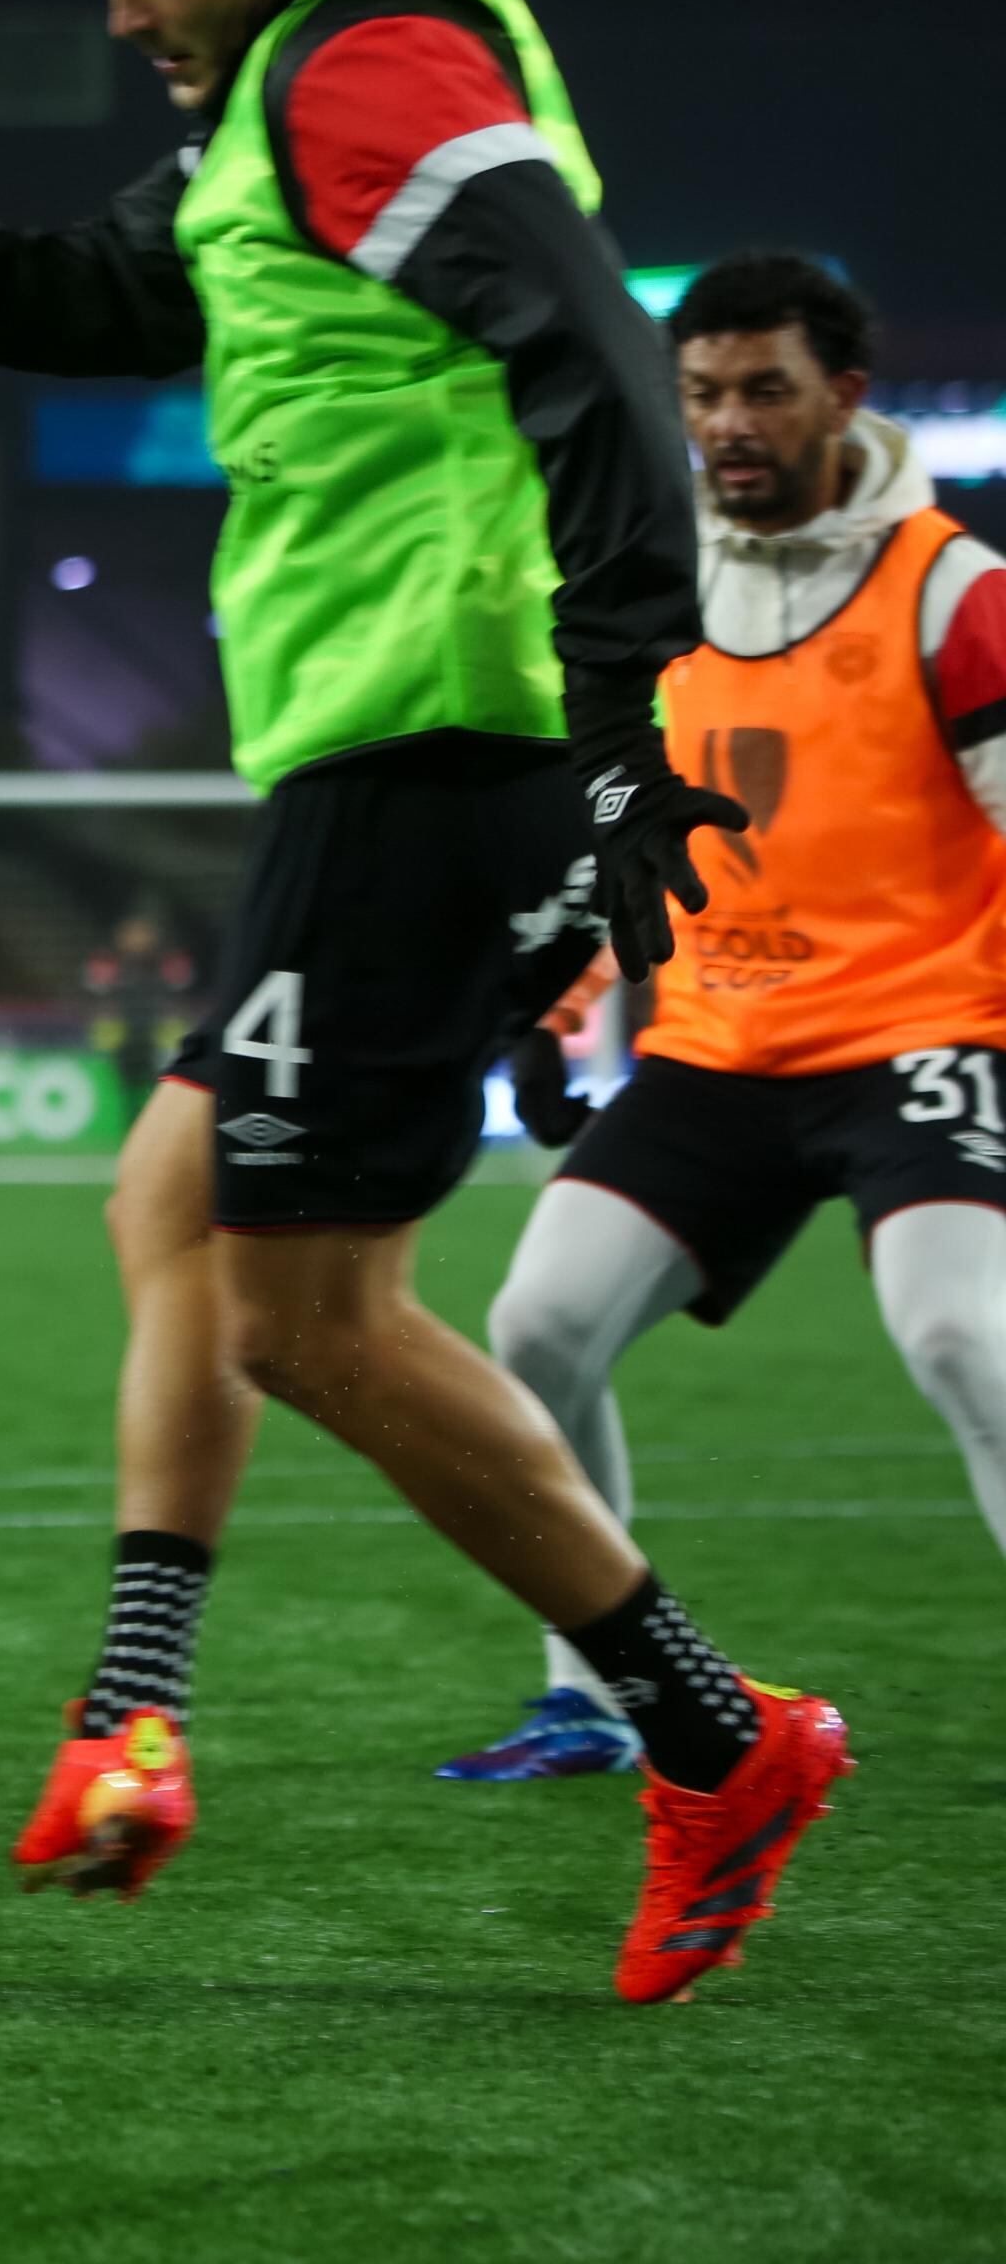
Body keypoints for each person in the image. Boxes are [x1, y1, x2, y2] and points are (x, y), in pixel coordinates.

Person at [0, 0, 846, 2001]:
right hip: (380, 747)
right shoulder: (280, 112)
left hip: (436, 742)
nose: (122, 9)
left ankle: (718, 1741)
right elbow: (107, 294)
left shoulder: (363, 72)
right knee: (172, 1206)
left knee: (309, 1314)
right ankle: (130, 1716)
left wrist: (621, 729)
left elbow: (593, 347)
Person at [450, 256, 1006, 1778]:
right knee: (537, 1325)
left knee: (965, 1336)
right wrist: (562, 999)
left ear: (845, 396)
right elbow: (620, 825)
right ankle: (592, 1693)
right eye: (701, 393)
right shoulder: (655, 579)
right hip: (717, 1047)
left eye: (766, 388)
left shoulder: (953, 590)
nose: (729, 423)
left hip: (921, 1035)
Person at [82, 909, 194, 1125]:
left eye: (143, 933)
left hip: (156, 1038)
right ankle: (132, 1128)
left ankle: (158, 1127)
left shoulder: (167, 960)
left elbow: (180, 995)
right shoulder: (110, 962)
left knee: (159, 1087)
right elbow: (96, 996)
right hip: (125, 1039)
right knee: (128, 1090)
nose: (138, 940)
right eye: (132, 934)